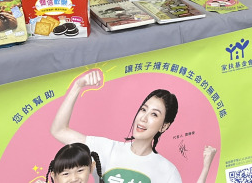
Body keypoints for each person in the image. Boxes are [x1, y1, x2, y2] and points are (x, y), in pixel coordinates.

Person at [51, 69, 218, 183]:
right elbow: (59, 130)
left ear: (164, 126)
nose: (143, 118)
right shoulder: (106, 149)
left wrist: (206, 168)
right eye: (143, 109)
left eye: (154, 114)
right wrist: (77, 86)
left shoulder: (167, 171)